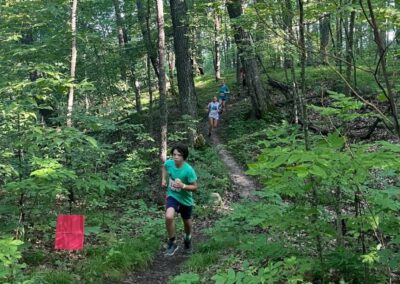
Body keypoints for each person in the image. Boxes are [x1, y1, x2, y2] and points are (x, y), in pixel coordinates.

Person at [161, 145, 198, 256]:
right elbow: (164, 167)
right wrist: (163, 179)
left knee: (186, 221)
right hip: (172, 196)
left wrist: (183, 185)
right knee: (169, 216)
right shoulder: (169, 163)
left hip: (185, 199)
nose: (176, 157)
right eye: (174, 154)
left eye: (179, 155)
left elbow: (195, 187)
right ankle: (172, 242)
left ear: (184, 157)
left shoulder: (188, 170)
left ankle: (187, 239)